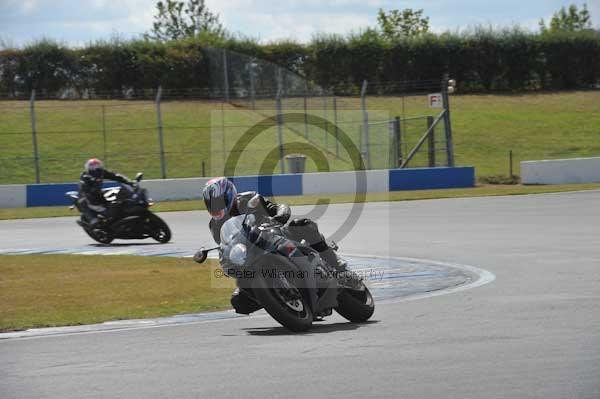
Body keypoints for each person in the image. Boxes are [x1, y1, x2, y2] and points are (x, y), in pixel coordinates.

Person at [198, 176, 346, 314]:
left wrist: (281, 214)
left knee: (303, 225)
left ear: (229, 195)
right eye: (210, 203)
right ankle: (276, 297)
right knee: (238, 301)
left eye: (217, 202)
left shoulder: (248, 198)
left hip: (274, 235)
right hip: (250, 255)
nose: (215, 207)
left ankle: (335, 263)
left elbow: (277, 207)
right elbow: (225, 245)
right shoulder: (215, 225)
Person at [78, 158, 132, 228]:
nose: (96, 169)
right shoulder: (85, 177)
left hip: (99, 194)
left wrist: (128, 181)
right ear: (88, 168)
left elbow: (115, 176)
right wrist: (95, 182)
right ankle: (95, 222)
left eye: (98, 166)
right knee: (104, 213)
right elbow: (88, 190)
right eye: (93, 167)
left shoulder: (101, 173)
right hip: (89, 198)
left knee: (116, 203)